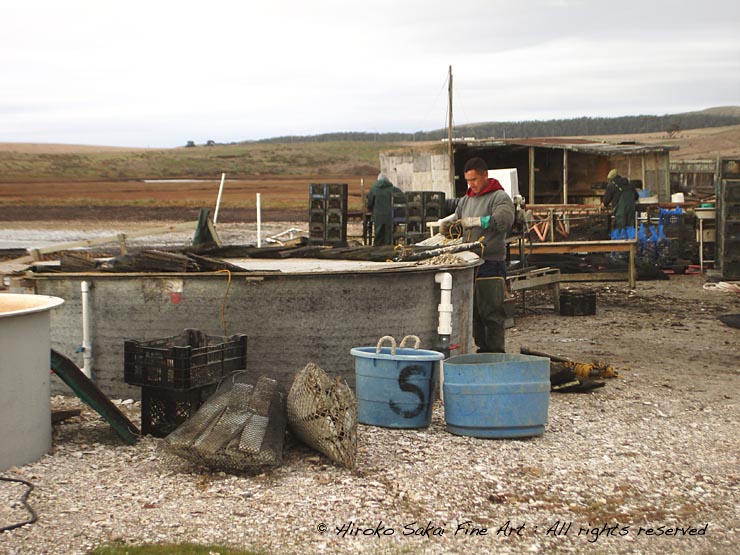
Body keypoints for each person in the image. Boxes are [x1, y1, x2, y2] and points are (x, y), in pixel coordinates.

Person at [441, 157, 515, 353]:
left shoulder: (499, 197)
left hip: (491, 262)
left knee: (491, 312)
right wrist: (449, 228)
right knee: (474, 313)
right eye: (468, 181)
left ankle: (496, 352)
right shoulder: (465, 200)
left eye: (474, 179)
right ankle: (483, 350)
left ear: (485, 175)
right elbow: (458, 222)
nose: (471, 184)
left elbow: (504, 220)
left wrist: (478, 222)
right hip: (470, 264)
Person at [367, 172, 402, 246]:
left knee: (378, 233)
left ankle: (377, 249)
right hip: (390, 215)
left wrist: (370, 209)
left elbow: (370, 202)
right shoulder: (394, 189)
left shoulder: (374, 189)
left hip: (378, 215)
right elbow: (402, 199)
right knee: (389, 234)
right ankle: (388, 249)